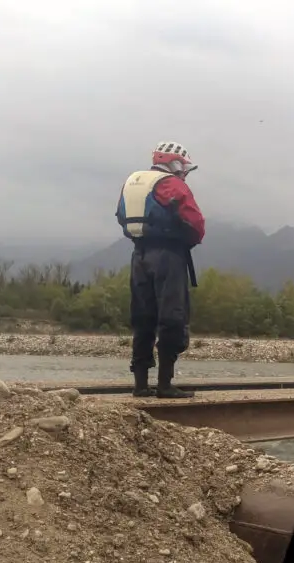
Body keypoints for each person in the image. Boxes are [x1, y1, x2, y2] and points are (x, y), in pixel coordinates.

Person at [114, 141, 205, 398]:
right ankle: (165, 384)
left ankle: (140, 384)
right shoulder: (172, 184)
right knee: (172, 317)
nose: (185, 173)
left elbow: (121, 216)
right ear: (176, 164)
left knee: (142, 318)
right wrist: (189, 239)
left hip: (139, 254)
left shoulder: (132, 182)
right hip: (168, 255)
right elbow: (195, 223)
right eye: (185, 167)